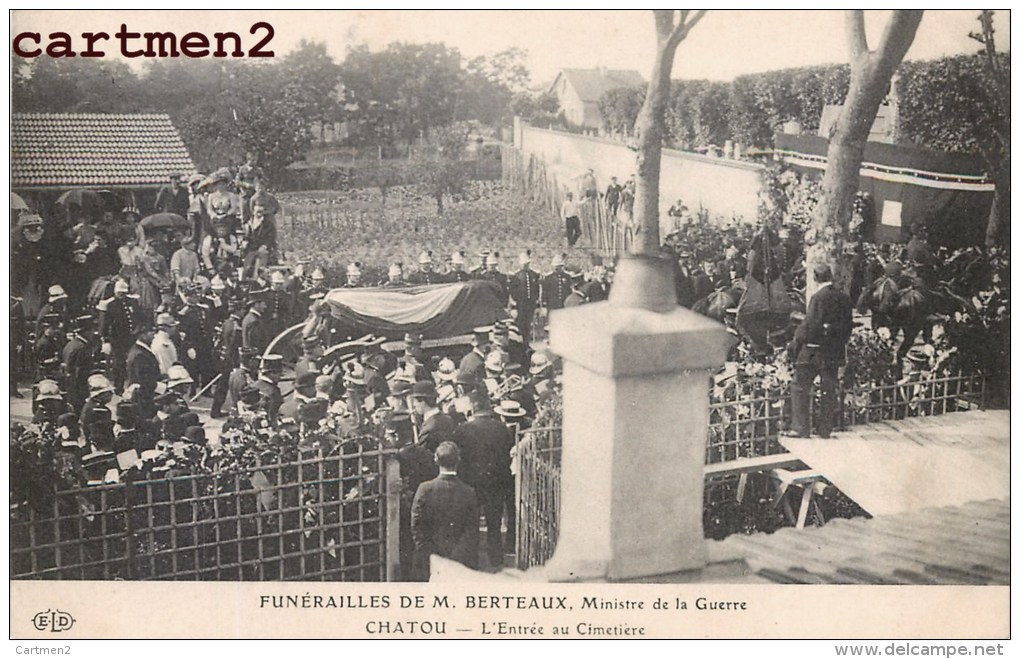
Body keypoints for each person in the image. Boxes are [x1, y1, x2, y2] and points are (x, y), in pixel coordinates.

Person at [787, 263, 853, 439]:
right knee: (828, 390)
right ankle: (825, 429)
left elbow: (810, 326)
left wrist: (796, 341)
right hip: (834, 352)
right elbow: (848, 327)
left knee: (799, 386)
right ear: (830, 276)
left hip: (813, 351)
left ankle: (800, 428)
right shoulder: (844, 298)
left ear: (814, 278)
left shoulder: (818, 298)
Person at [453, 392, 515, 569]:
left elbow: (460, 458)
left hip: (472, 484)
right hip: (496, 483)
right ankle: (496, 560)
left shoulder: (462, 430)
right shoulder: (502, 428)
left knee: (471, 524)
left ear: (472, 408)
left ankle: (471, 562)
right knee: (494, 524)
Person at [410, 441, 480, 581]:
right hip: (460, 563)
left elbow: (416, 526)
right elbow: (472, 529)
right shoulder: (469, 492)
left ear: (435, 459)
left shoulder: (424, 489)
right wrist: (457, 557)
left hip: (429, 561)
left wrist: (429, 554)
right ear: (458, 460)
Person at [410, 380, 457, 454]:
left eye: (415, 401)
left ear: (423, 402)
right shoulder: (448, 419)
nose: (414, 405)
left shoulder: (428, 428)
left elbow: (421, 454)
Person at [509, 251, 541, 345]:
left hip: (530, 304)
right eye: (524, 264)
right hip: (521, 304)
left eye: (527, 264)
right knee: (521, 323)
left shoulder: (534, 275)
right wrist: (514, 305)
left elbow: (536, 290)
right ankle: (521, 341)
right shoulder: (517, 276)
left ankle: (527, 341)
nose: (525, 266)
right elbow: (513, 291)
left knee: (528, 323)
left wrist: (537, 304)